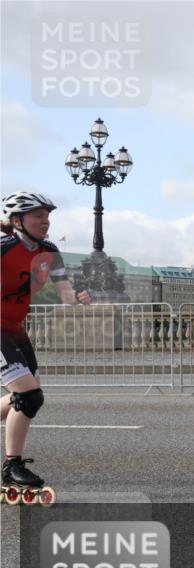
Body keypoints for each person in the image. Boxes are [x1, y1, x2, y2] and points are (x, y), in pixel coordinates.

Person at [1, 192, 91, 502]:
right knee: (28, 395)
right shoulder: (3, 247)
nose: (45, 221)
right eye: (37, 216)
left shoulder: (50, 251)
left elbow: (66, 295)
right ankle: (11, 466)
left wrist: (77, 300)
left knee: (27, 398)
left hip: (14, 329)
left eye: (47, 215)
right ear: (17, 221)